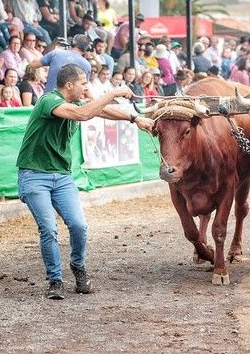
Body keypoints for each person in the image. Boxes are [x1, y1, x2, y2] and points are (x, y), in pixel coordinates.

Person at [16, 63, 153, 299]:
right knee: (48, 227)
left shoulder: (73, 103)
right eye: (83, 83)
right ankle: (55, 280)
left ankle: (77, 267)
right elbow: (84, 114)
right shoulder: (49, 101)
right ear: (69, 85)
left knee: (79, 225)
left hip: (61, 175)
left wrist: (135, 117)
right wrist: (113, 92)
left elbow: (103, 112)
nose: (86, 87)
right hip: (34, 174)